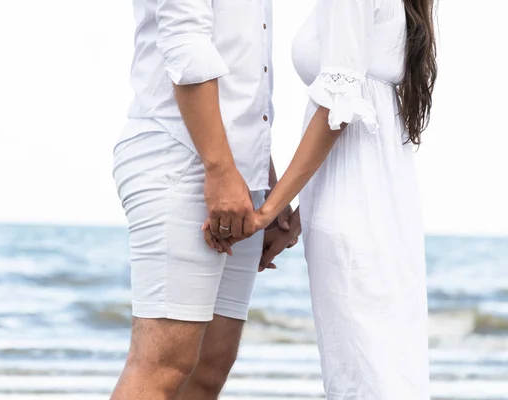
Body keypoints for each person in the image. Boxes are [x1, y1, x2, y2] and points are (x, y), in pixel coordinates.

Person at [205, 0, 437, 398]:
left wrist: (265, 213)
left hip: (354, 215)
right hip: (379, 206)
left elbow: (338, 106)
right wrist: (293, 218)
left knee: (365, 374)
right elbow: (357, 124)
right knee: (381, 367)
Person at [111, 0, 297, 399]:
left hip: (236, 172)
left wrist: (264, 182)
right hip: (179, 156)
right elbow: (185, 42)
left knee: (210, 367)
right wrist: (220, 172)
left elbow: (245, 77)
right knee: (162, 366)